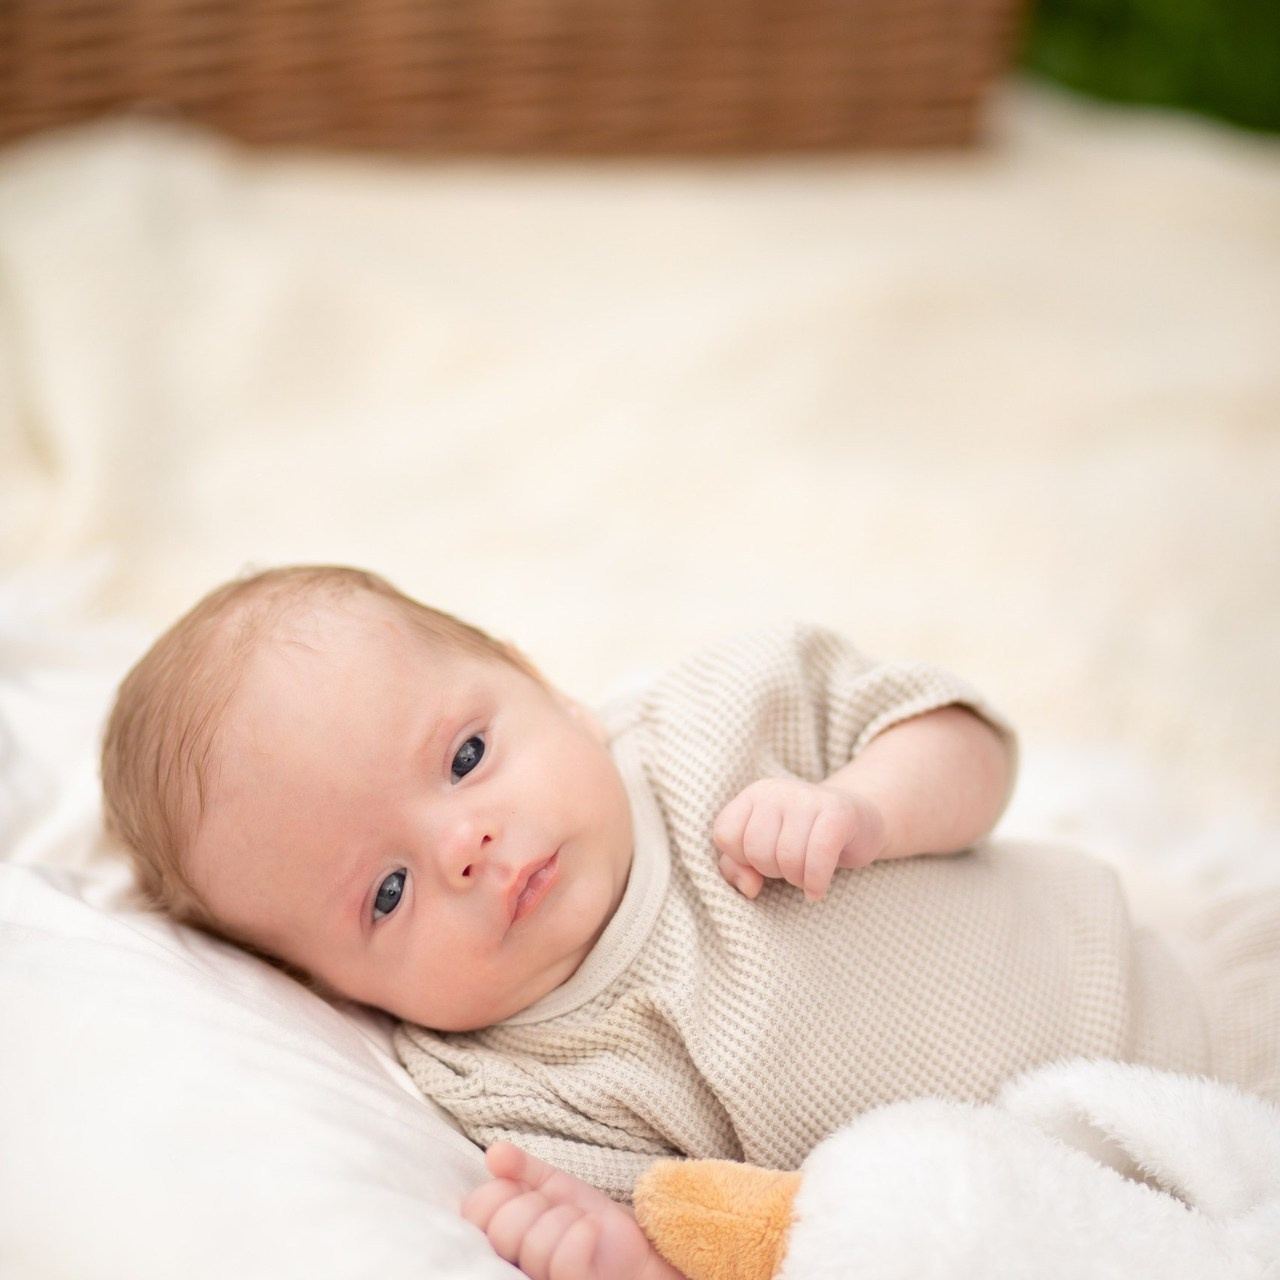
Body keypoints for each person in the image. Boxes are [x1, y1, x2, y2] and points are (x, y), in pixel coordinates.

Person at [101, 564, 1279, 1280]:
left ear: (538, 679)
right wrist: (616, 1252)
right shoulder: (515, 1085)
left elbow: (974, 745)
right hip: (1058, 1221)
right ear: (334, 988)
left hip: (1185, 997)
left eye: (464, 755)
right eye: (387, 892)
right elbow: (729, 1239)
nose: (463, 845)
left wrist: (864, 804)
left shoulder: (719, 719)